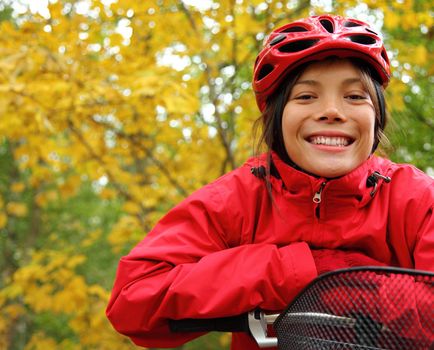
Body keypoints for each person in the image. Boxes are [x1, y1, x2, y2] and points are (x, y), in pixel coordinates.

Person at [106, 15, 434, 349]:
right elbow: (133, 299)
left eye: (354, 96)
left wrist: (343, 282)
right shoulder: (238, 200)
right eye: (306, 96)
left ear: (376, 116)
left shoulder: (416, 199)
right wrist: (294, 271)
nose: (332, 110)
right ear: (276, 119)